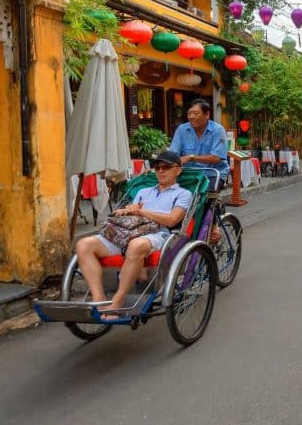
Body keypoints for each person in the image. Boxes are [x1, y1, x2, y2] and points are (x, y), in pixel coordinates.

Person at [75, 150, 193, 318]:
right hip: (129, 231)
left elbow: (172, 220)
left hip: (159, 233)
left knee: (136, 245)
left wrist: (143, 212)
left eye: (166, 167)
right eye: (157, 167)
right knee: (83, 244)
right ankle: (99, 297)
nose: (160, 171)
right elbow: (131, 214)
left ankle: (117, 301)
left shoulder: (183, 194)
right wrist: (126, 211)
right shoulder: (143, 192)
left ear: (178, 170)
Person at [169, 98, 229, 186]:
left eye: (196, 113)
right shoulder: (182, 129)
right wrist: (157, 167)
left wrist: (191, 157)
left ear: (207, 114)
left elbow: (216, 158)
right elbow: (173, 154)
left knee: (203, 195)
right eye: (189, 114)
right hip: (188, 174)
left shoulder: (218, 130)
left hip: (212, 173)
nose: (191, 117)